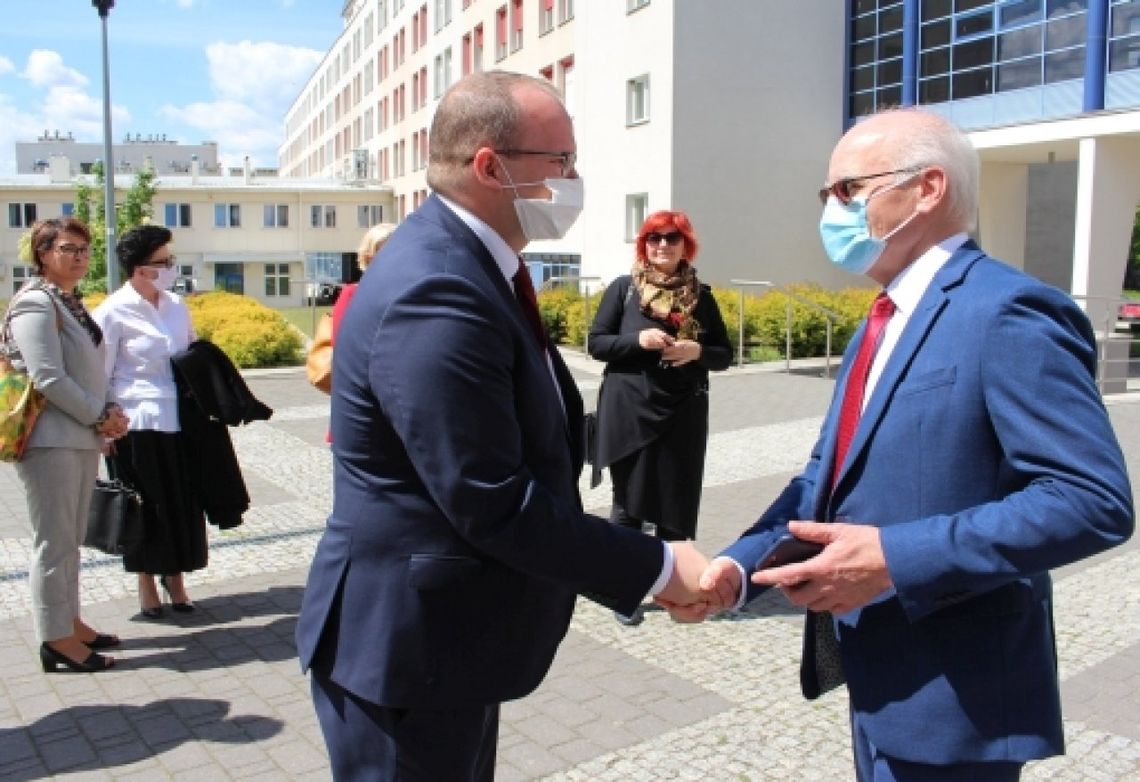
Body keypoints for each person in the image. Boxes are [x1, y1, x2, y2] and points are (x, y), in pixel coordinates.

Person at [692, 107, 1134, 780]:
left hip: (958, 704)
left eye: (847, 189)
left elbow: (1090, 499)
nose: (832, 210)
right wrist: (738, 568)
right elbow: (825, 476)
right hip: (880, 682)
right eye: (827, 194)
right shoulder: (881, 319)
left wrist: (895, 557)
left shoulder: (1007, 311)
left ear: (927, 189)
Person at [295, 70, 711, 781]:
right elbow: (487, 495)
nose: (574, 179)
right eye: (563, 161)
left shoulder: (475, 266)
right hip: (406, 652)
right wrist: (660, 566)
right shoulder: (437, 285)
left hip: (444, 645)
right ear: (491, 167)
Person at [588, 209, 732, 625]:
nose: (662, 245)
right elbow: (597, 343)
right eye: (654, 238)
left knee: (676, 504)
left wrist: (697, 351)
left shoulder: (701, 296)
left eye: (672, 238)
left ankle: (680, 592)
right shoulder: (624, 289)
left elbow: (724, 354)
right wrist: (638, 340)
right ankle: (624, 593)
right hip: (630, 411)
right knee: (628, 507)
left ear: (686, 245)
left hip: (683, 413)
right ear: (644, 245)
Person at [6, 217, 129, 672]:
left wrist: (108, 412)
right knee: (54, 543)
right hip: (50, 440)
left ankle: (69, 622)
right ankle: (55, 638)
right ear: (43, 253)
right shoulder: (35, 303)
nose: (79, 256)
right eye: (67, 248)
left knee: (71, 539)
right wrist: (100, 415)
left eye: (84, 249)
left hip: (78, 436)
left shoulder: (68, 301)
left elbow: (88, 368)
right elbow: (48, 377)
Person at [93, 225, 203, 620]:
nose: (172, 267)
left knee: (179, 503)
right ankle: (145, 582)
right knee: (143, 506)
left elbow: (191, 354)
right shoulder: (112, 311)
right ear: (140, 269)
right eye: (164, 262)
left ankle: (175, 578)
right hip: (133, 423)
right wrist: (101, 429)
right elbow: (100, 374)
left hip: (178, 420)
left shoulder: (176, 306)